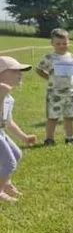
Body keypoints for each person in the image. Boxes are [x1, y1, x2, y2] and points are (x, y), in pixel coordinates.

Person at [0, 56, 37, 201]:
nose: (20, 74)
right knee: (9, 163)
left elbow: (8, 122)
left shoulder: (9, 98)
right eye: (15, 71)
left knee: (16, 154)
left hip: (1, 132)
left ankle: (6, 183)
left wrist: (24, 137)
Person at [35, 28, 73, 145]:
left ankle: (70, 137)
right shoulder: (49, 58)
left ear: (69, 42)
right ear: (52, 44)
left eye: (65, 43)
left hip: (71, 92)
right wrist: (49, 78)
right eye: (58, 44)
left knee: (70, 116)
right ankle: (49, 139)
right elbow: (39, 69)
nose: (62, 46)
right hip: (55, 93)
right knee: (52, 117)